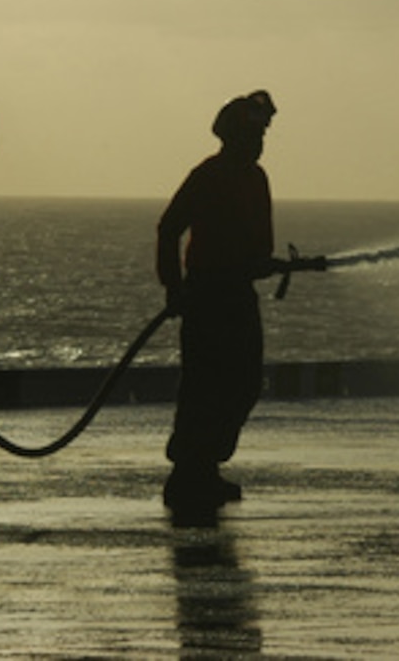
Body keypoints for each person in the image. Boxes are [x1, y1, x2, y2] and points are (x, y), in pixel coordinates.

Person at [156, 89, 279, 511]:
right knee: (204, 387)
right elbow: (169, 227)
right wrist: (174, 287)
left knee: (243, 384)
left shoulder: (256, 179)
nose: (261, 142)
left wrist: (263, 263)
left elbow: (257, 246)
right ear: (233, 137)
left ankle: (205, 465)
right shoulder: (208, 176)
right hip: (207, 298)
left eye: (263, 134)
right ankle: (188, 472)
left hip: (239, 297)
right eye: (254, 134)